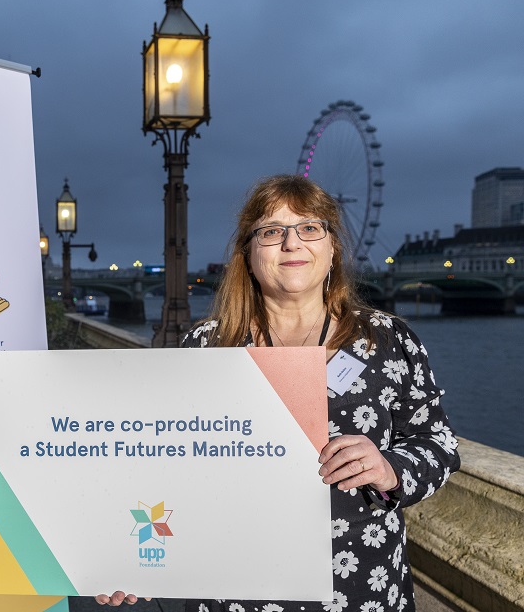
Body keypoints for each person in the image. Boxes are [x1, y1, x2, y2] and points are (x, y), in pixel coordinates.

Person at [96, 175, 460, 612]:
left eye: (310, 228)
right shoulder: (205, 345)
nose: (291, 243)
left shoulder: (387, 341)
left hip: (360, 585)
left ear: (333, 249)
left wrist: (391, 468)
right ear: (248, 255)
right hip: (233, 590)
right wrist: (129, 555)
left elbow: (439, 445)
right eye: (271, 232)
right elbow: (163, 465)